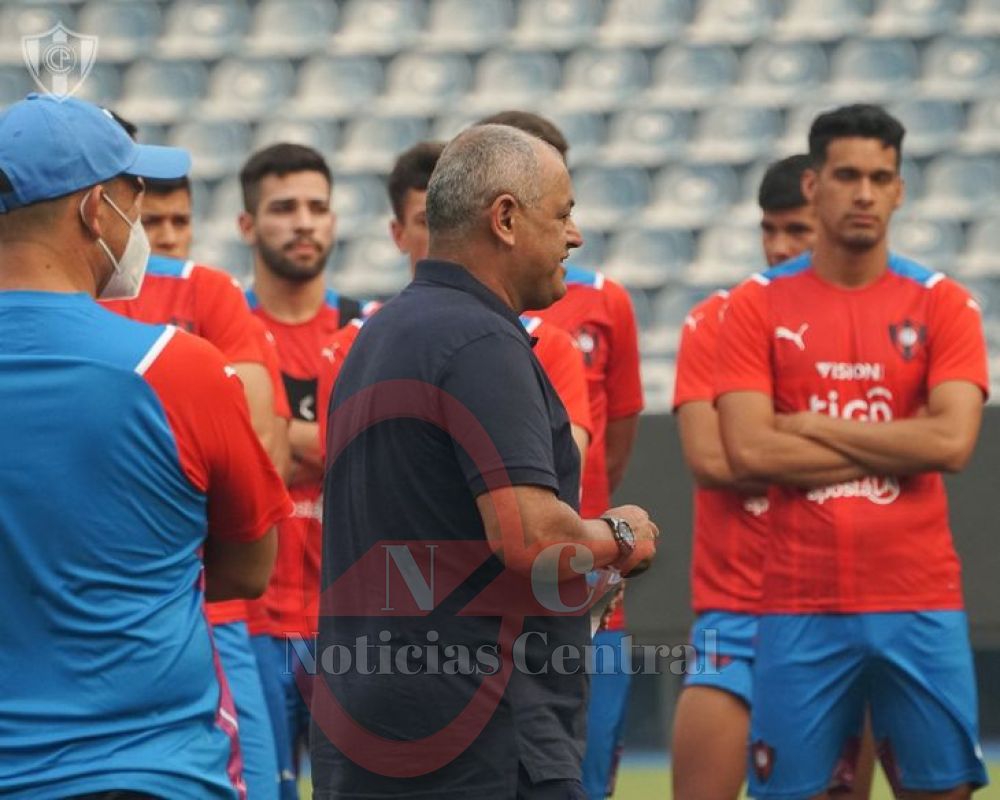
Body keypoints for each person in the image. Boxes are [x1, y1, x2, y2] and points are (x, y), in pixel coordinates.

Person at [310, 124, 659, 799]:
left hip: (368, 719)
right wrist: (617, 537)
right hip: (481, 727)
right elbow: (529, 535)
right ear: (505, 218)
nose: (575, 237)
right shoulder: (481, 342)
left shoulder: (379, 333)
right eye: (563, 214)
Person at [0, 93, 290, 797]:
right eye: (135, 197)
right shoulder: (175, 366)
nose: (142, 224)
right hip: (154, 767)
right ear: (95, 211)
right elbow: (249, 566)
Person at [716, 104, 989, 799]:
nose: (863, 193)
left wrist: (806, 424)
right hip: (798, 605)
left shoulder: (943, 304)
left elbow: (952, 443)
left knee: (943, 792)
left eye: (880, 177)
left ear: (899, 189)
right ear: (813, 185)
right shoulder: (754, 305)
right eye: (846, 175)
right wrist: (901, 444)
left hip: (921, 599)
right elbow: (748, 451)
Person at [101, 143, 292, 799]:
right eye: (148, 219)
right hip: (175, 604)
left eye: (178, 221)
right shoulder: (127, 312)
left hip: (210, 611)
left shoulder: (206, 291)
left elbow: (265, 445)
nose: (166, 237)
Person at [477, 110, 644, 800]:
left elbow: (615, 432)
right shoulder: (450, 325)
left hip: (578, 579)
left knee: (577, 772)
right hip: (491, 602)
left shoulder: (598, 306)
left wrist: (591, 527)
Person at [670, 155, 819, 800]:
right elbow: (713, 461)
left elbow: (924, 449)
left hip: (838, 608)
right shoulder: (715, 320)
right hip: (734, 612)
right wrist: (845, 444)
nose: (778, 247)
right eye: (770, 229)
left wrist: (759, 441)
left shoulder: (867, 325)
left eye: (798, 231)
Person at [237, 142, 362, 790]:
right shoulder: (222, 332)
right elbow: (237, 460)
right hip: (252, 618)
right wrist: (328, 441)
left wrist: (276, 437)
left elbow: (382, 452)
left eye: (318, 206)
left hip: (352, 619)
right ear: (247, 225)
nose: (305, 222)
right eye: (284, 208)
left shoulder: (367, 331)